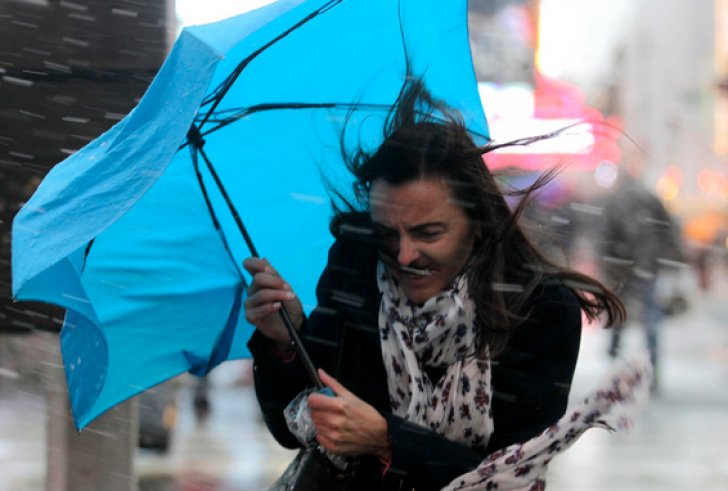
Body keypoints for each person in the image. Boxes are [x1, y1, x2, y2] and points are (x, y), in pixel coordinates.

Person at [243, 83, 626, 491]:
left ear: (476, 224)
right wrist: (285, 344)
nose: (405, 255)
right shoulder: (356, 268)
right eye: (388, 233)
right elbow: (293, 427)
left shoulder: (541, 311)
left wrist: (388, 440)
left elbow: (512, 472)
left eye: (428, 233)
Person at [598, 169, 685, 392]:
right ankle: (652, 370)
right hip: (647, 266)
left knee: (620, 311)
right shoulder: (651, 199)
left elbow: (604, 235)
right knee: (650, 317)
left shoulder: (615, 201)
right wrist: (672, 258)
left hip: (621, 267)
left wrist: (607, 263)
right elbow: (669, 230)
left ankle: (615, 360)